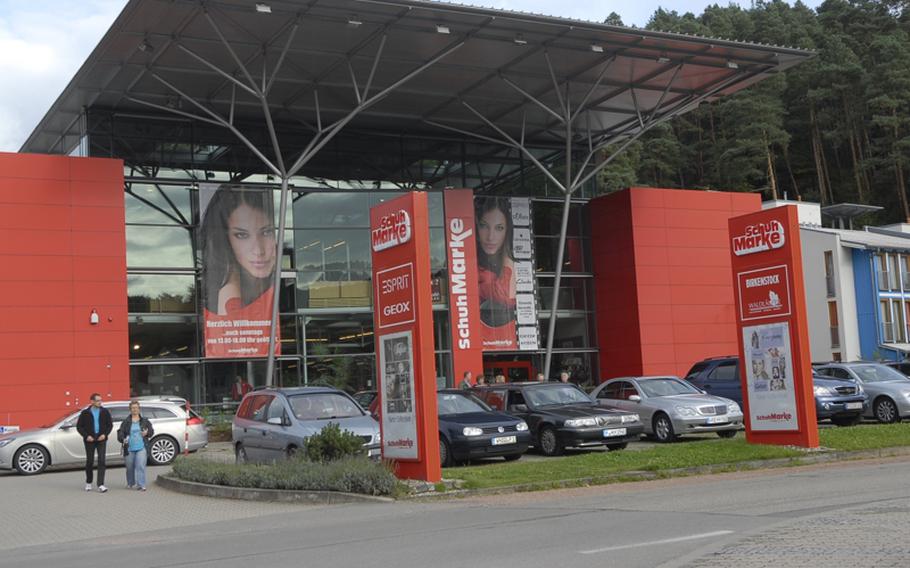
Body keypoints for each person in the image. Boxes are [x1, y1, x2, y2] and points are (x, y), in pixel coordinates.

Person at [200, 186, 277, 317]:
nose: (259, 250)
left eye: (266, 232)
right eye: (242, 235)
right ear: (226, 242)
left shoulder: (260, 287)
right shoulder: (231, 297)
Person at [476, 198, 517, 337]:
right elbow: (504, 297)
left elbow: (507, 298)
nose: (490, 237)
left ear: (507, 231)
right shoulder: (468, 262)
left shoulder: (508, 262)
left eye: (499, 228)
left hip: (503, 333)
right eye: (484, 226)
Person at [76, 393, 113, 493]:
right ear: (92, 401)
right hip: (90, 440)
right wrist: (86, 436)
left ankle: (101, 484)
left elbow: (110, 425)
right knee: (90, 461)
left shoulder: (105, 412)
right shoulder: (85, 413)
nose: (100, 402)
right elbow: (79, 427)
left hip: (101, 439)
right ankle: (88, 482)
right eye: (97, 400)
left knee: (102, 461)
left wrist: (105, 435)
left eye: (101, 400)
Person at [117, 401, 154, 491]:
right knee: (129, 467)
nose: (135, 409)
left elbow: (151, 432)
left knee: (140, 465)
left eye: (136, 408)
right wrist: (123, 439)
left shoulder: (145, 421)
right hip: (129, 447)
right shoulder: (126, 422)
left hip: (141, 447)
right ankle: (130, 483)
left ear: (139, 409)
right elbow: (120, 432)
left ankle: (141, 485)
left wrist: (147, 433)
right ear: (130, 409)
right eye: (133, 408)